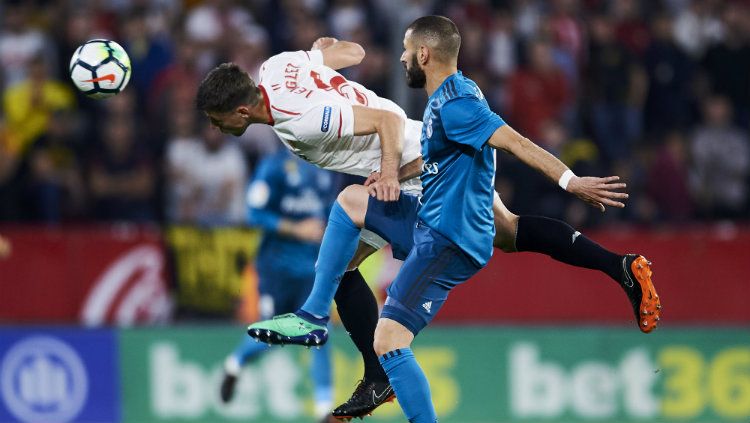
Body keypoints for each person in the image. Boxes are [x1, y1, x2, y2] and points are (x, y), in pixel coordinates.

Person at [196, 34, 661, 420]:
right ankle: (620, 267)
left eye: (217, 121)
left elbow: (383, 120)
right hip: (424, 149)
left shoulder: (300, 119)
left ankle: (323, 325)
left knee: (350, 210)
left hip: (421, 166)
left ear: (239, 112)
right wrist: (322, 56)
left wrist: (392, 172)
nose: (215, 130)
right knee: (507, 233)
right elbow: (351, 52)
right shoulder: (278, 69)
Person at [218, 148, 334, 421]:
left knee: (319, 333)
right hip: (275, 267)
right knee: (270, 332)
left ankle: (324, 410)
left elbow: (330, 213)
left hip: (311, 268)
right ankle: (235, 363)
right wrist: (295, 229)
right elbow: (254, 213)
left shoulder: (325, 170)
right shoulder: (273, 168)